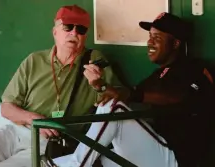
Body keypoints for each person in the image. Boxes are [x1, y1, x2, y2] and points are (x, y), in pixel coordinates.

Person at [51, 12, 214, 167]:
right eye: (150, 37)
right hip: (152, 150)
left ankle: (77, 164)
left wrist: (129, 95)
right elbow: (130, 94)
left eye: (157, 38)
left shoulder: (194, 68)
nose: (150, 42)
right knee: (87, 161)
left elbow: (176, 96)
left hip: (176, 158)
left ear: (176, 43)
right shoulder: (159, 75)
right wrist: (100, 85)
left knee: (114, 107)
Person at [0, 5, 128, 167]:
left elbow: (119, 100)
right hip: (14, 132)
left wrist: (99, 85)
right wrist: (35, 119)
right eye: (67, 27)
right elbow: (6, 108)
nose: (74, 33)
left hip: (49, 143)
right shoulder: (34, 60)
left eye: (81, 29)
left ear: (85, 36)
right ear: (55, 31)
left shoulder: (93, 61)